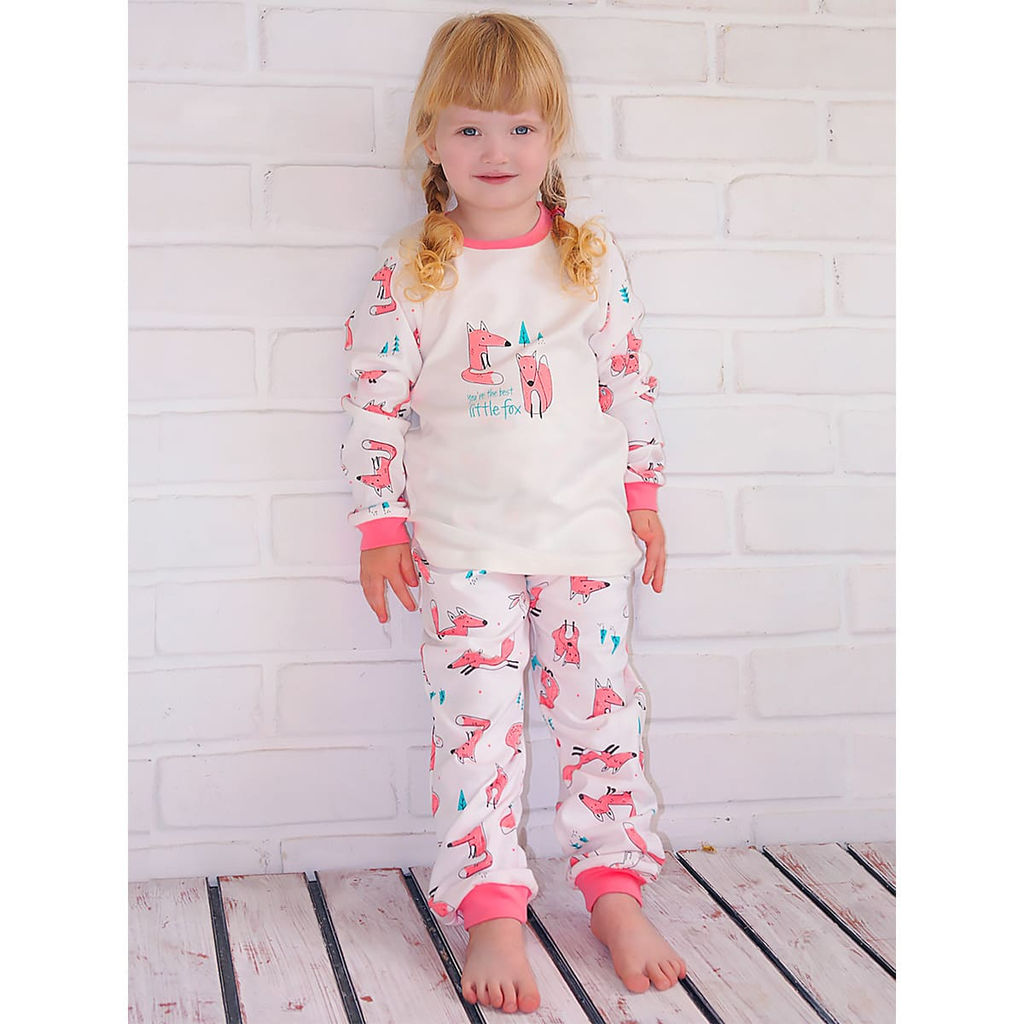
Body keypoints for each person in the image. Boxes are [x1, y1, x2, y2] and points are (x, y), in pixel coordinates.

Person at [340, 11, 687, 1015]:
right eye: (470, 127)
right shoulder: (413, 268)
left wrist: (643, 498)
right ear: (430, 137)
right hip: (462, 550)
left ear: (554, 134)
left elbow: (629, 384)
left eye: (521, 128)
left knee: (601, 715)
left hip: (585, 540)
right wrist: (379, 526)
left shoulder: (588, 258)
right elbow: (372, 404)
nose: (496, 150)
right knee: (476, 731)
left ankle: (613, 888)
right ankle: (490, 902)